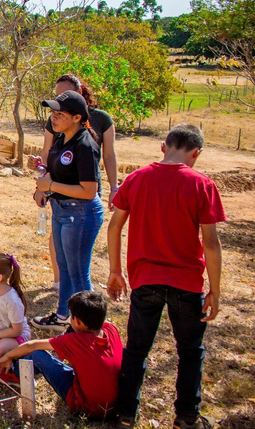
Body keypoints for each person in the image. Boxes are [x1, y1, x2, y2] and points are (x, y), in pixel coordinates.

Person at [106, 125, 225, 429]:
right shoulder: (202, 184)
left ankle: (125, 415)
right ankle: (186, 418)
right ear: (196, 153)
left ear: (163, 147)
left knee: (136, 349)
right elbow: (210, 243)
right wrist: (215, 289)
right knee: (190, 351)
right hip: (188, 284)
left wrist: (116, 271)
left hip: (145, 281)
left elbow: (115, 226)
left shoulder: (137, 179)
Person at [33, 74, 118, 291]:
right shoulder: (57, 121)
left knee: (78, 257)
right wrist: (41, 182)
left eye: (64, 95)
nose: (58, 103)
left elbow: (108, 156)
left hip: (83, 190)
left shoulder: (101, 120)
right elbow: (48, 152)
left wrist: (114, 187)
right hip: (60, 190)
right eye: (56, 96)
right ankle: (60, 282)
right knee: (59, 239)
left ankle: (81, 306)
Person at [31, 91, 104, 332]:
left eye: (59, 114)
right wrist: (41, 170)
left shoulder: (85, 144)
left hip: (80, 214)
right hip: (61, 210)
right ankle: (63, 316)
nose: (53, 118)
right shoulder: (62, 139)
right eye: (53, 113)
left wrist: (50, 185)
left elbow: (89, 190)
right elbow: (61, 172)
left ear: (76, 117)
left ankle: (90, 328)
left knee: (79, 273)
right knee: (65, 268)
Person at [0, 291, 123, 421]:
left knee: (38, 356)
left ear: (77, 321)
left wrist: (8, 357)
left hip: (85, 407)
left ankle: (13, 373)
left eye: (70, 316)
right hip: (116, 405)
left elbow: (32, 346)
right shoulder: (111, 330)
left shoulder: (76, 341)